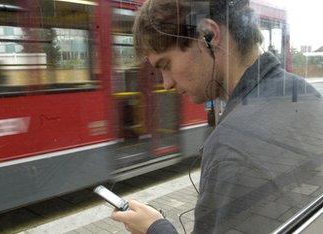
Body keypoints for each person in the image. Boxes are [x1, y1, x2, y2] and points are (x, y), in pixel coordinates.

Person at [111, 0, 323, 233]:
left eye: (166, 64)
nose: (167, 82)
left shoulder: (231, 145)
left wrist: (156, 229)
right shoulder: (303, 92)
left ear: (208, 36)